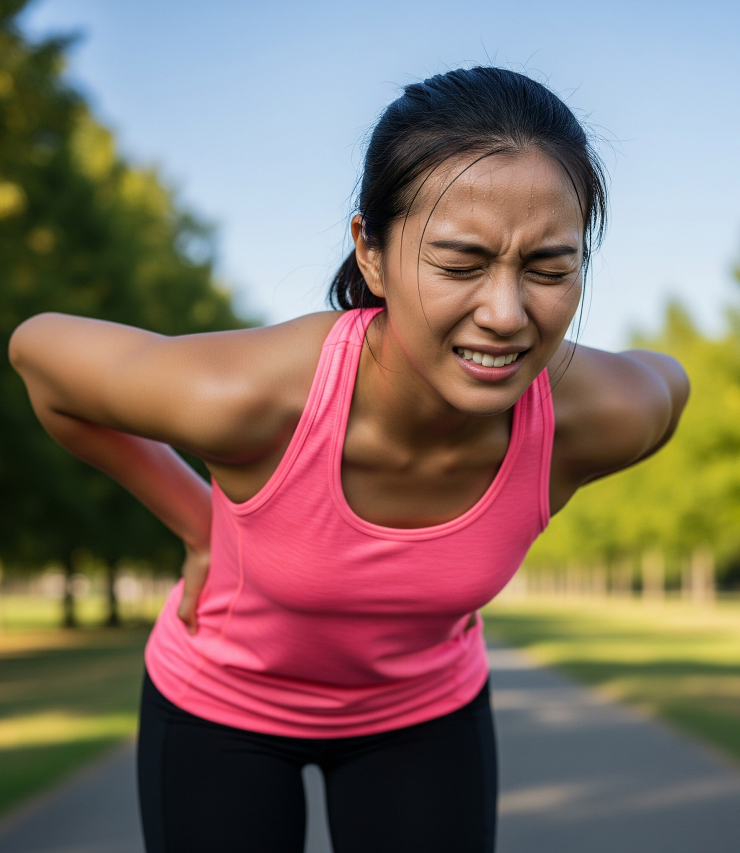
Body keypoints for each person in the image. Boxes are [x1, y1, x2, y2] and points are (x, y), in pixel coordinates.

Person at [9, 66, 689, 853]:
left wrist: (547, 477)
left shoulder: (595, 416)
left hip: (424, 715)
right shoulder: (247, 399)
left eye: (548, 268)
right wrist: (196, 520)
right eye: (460, 263)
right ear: (371, 251)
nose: (506, 315)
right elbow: (39, 353)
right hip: (221, 707)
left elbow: (669, 388)